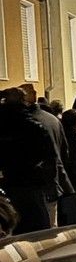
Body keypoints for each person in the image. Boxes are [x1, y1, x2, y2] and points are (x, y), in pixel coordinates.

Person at [0, 88, 58, 233]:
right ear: (23, 102)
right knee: (38, 229)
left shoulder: (3, 127)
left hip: (8, 184)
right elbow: (49, 156)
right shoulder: (34, 126)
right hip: (32, 184)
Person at [18, 83, 72, 226]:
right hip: (53, 182)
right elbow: (64, 151)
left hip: (33, 185)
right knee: (52, 225)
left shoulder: (26, 123)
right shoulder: (53, 120)